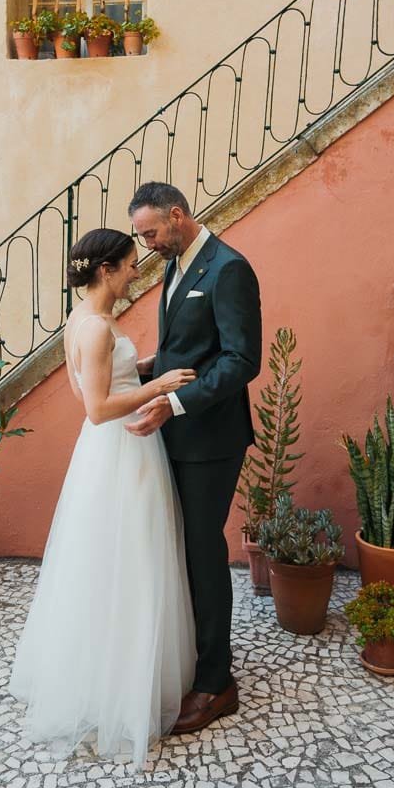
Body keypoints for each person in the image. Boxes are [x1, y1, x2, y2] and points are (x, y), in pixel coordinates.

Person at [8, 228, 197, 769]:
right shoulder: (94, 328)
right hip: (119, 449)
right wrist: (158, 389)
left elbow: (99, 383)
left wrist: (141, 369)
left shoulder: (85, 321)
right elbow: (94, 408)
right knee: (127, 558)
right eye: (131, 264)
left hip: (113, 450)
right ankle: (119, 686)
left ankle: (123, 670)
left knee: (118, 559)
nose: (137, 271)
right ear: (108, 269)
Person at [128, 182, 262, 734]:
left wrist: (175, 403)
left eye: (150, 232)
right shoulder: (176, 262)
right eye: (141, 235)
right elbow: (190, 347)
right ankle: (192, 658)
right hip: (177, 434)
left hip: (210, 441)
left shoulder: (229, 269)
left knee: (203, 554)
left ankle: (215, 683)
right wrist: (144, 373)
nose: (146, 244)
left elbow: (240, 360)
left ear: (178, 216)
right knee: (179, 550)